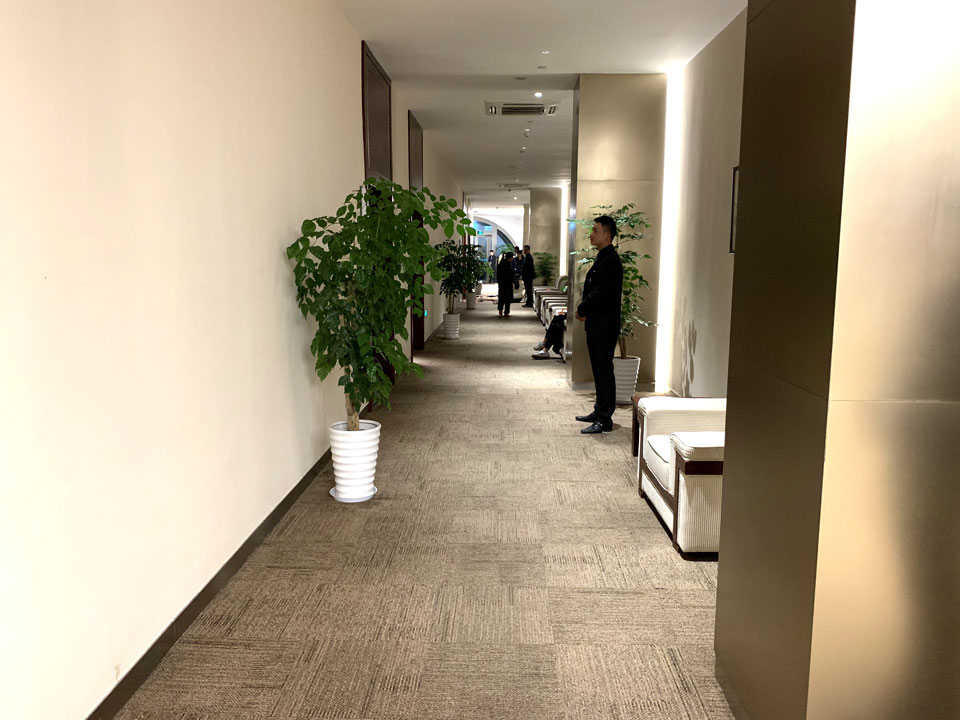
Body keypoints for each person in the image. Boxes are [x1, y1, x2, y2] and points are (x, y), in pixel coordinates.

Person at [575, 215, 623, 434]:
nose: (591, 234)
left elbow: (600, 293)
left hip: (604, 325)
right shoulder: (604, 257)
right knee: (599, 368)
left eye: (595, 230)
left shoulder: (610, 260)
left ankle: (604, 418)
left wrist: (583, 308)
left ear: (607, 234)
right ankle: (600, 410)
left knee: (603, 370)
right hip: (598, 322)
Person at [496, 252, 515, 317]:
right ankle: (506, 312)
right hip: (507, 283)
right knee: (507, 299)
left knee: (501, 297)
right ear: (509, 258)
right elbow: (510, 274)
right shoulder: (508, 265)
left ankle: (500, 310)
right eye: (512, 257)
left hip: (502, 284)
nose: (512, 259)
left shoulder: (501, 264)